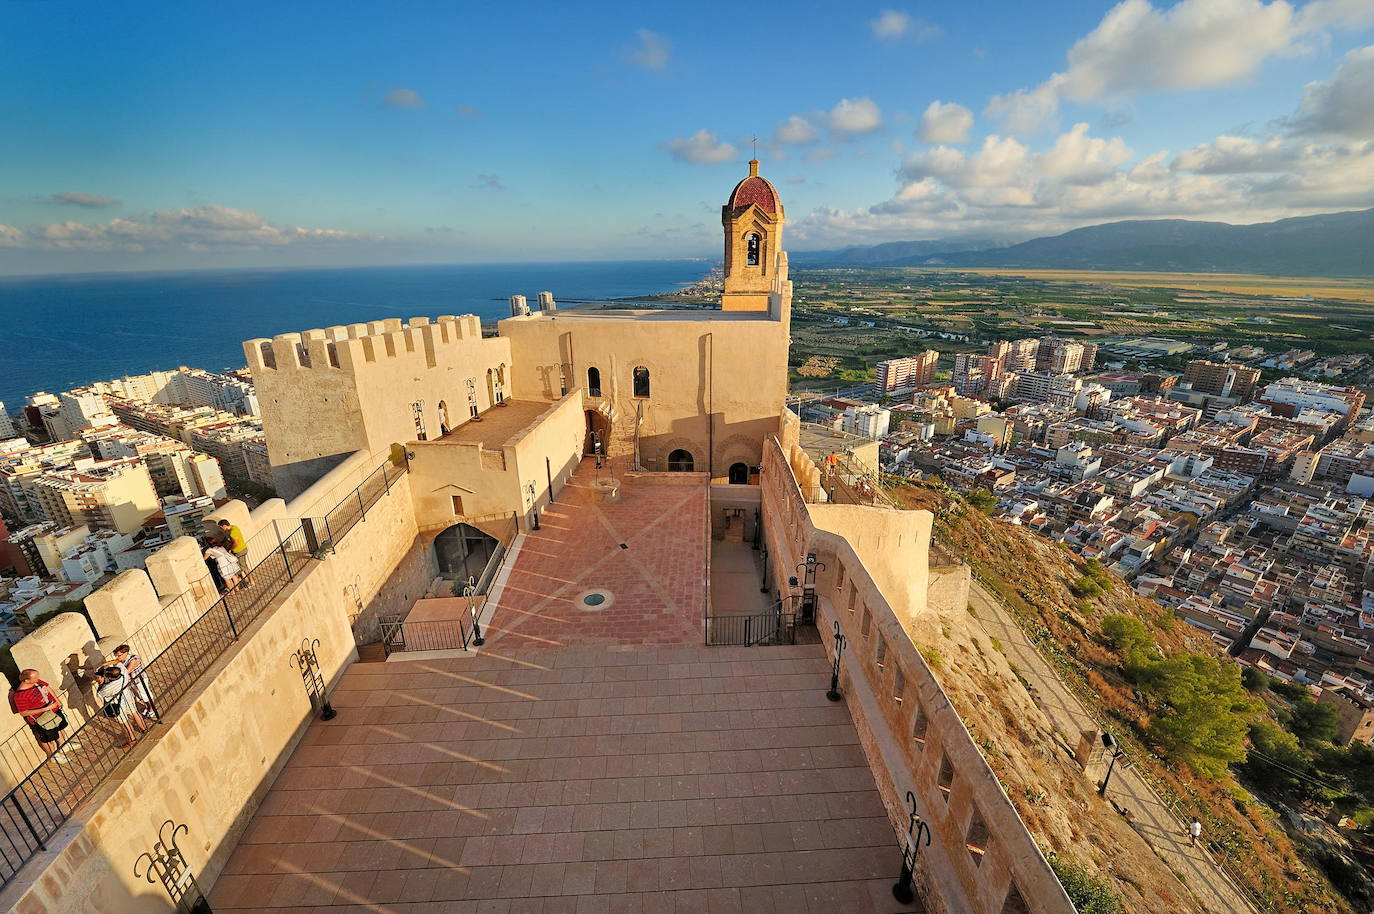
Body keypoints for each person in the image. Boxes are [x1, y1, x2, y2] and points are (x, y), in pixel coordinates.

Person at [8, 669, 70, 763]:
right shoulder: (20, 696)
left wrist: (57, 701)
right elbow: (23, 713)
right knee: (46, 739)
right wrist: (45, 709)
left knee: (59, 728)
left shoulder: (36, 682)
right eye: (35, 677)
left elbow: (47, 687)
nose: (38, 678)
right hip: (40, 719)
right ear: (26, 680)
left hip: (53, 711)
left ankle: (64, 746)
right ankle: (53, 756)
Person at [95, 664, 145, 748]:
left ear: (110, 678)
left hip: (117, 703)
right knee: (135, 712)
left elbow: (99, 694)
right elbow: (118, 662)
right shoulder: (123, 672)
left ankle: (132, 739)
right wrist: (104, 665)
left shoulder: (108, 687)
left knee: (124, 722)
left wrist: (100, 682)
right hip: (128, 697)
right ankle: (144, 729)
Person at [113, 644, 156, 721]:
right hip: (132, 682)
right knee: (140, 697)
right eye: (116, 656)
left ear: (125, 653)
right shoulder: (122, 660)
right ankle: (148, 708)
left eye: (119, 655)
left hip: (140, 680)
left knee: (146, 695)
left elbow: (127, 671)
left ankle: (152, 710)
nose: (117, 657)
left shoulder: (134, 658)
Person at [217, 519, 251, 586]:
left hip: (239, 551)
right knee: (241, 567)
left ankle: (251, 581)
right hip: (242, 549)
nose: (221, 529)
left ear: (224, 526)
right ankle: (244, 582)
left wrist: (230, 549)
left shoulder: (233, 531)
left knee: (243, 567)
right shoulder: (234, 527)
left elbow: (236, 543)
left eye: (221, 527)